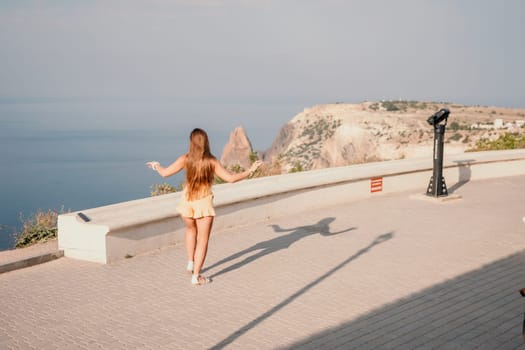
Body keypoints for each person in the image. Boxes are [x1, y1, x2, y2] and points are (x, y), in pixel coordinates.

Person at [146, 128, 262, 286]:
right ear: (206, 142)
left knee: (190, 230)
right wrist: (250, 171)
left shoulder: (185, 159)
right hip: (204, 204)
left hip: (187, 203)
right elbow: (231, 178)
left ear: (191, 142)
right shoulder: (211, 161)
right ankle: (196, 276)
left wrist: (156, 165)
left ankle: (190, 262)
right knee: (203, 240)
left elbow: (165, 173)